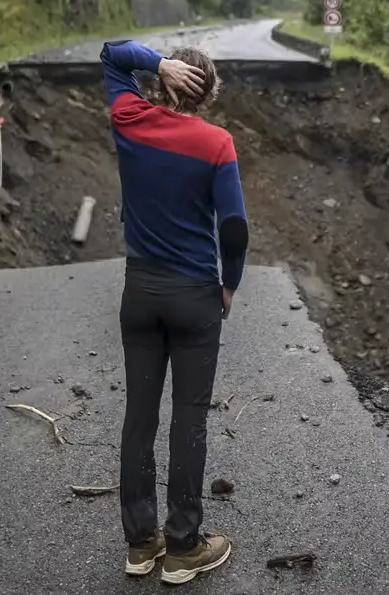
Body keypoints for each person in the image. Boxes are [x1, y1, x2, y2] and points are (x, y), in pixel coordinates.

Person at [99, 39, 248, 585]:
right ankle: (184, 546)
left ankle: (141, 544)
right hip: (194, 297)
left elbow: (113, 54)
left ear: (165, 82)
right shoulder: (217, 143)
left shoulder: (130, 118)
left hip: (139, 292)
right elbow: (233, 227)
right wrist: (229, 285)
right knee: (189, 418)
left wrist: (155, 61)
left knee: (139, 415)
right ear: (207, 94)